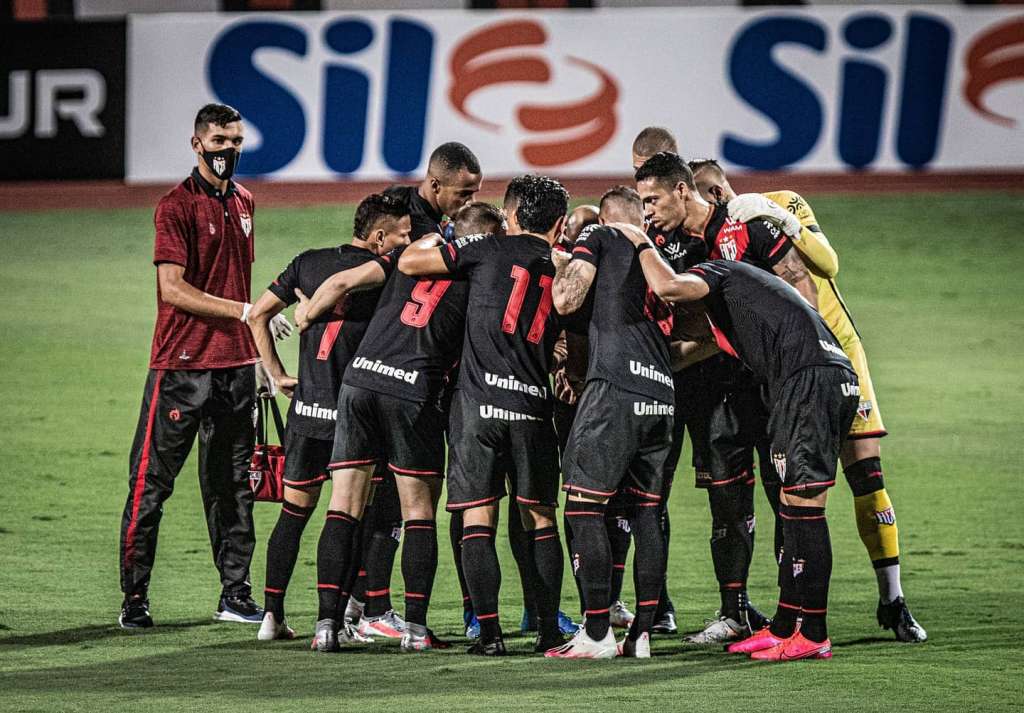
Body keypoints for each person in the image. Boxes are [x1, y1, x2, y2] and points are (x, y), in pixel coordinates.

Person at [689, 158, 926, 642]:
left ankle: (893, 600)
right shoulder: (714, 242)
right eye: (708, 193)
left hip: (837, 351)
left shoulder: (776, 205)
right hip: (789, 373)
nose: (719, 199)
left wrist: (785, 221)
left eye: (720, 188)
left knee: (866, 476)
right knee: (796, 490)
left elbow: (827, 265)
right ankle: (792, 619)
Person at [620, 234, 860, 661]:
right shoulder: (732, 318)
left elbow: (669, 286)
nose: (675, 320)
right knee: (792, 504)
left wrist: (640, 240)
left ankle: (815, 632)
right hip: (813, 380)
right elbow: (682, 353)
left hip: (810, 382)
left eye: (676, 316)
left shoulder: (718, 271)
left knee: (805, 508)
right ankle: (785, 626)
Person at [118, 103, 291, 628]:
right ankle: (134, 599)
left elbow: (237, 279)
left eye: (236, 141)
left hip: (236, 368)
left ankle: (234, 595)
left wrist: (258, 353)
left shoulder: (245, 202)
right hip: (180, 365)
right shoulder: (175, 206)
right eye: (219, 140)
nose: (228, 150)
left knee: (233, 488)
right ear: (197, 144)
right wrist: (246, 313)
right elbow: (172, 290)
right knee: (150, 485)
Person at [637, 152, 818, 642]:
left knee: (790, 497)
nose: (647, 211)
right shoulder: (661, 245)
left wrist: (796, 361)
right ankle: (735, 609)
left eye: (652, 200)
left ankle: (793, 613)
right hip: (713, 389)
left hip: (773, 385)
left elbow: (800, 284)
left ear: (682, 190)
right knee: (727, 498)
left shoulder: (746, 226)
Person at [400, 175, 570, 657]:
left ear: (511, 215)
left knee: (479, 518)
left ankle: (490, 634)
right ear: (559, 223)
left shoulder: (484, 250)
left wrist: (460, 237)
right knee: (539, 517)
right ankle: (549, 631)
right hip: (533, 409)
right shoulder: (565, 265)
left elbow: (411, 262)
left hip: (477, 408)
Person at [245, 193, 411, 642]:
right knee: (351, 516)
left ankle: (271, 616)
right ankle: (344, 619)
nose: (407, 241)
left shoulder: (307, 262)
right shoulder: (390, 272)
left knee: (293, 514)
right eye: (402, 234)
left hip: (306, 410)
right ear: (379, 237)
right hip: (353, 414)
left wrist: (278, 375)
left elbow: (258, 315)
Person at [546, 186, 674, 659]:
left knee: (582, 508)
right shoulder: (660, 253)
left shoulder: (601, 236)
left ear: (605, 218)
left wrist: (561, 260)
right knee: (646, 513)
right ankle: (641, 632)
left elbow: (565, 300)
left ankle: (597, 632)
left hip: (614, 388)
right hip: (661, 393)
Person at [550, 205, 635, 631]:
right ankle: (590, 602)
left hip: (604, 396)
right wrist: (556, 358)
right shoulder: (562, 266)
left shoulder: (616, 264)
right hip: (572, 403)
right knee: (580, 504)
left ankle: (614, 601)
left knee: (625, 503)